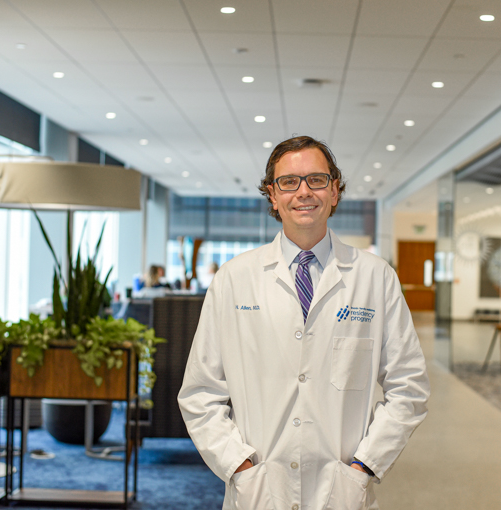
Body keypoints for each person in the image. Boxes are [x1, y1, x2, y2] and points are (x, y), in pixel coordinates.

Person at [178, 136, 430, 510]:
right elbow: (200, 393)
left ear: (335, 192)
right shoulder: (234, 278)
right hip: (259, 489)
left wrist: (364, 466)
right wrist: (239, 465)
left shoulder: (376, 277)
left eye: (316, 180)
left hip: (343, 490)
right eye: (289, 182)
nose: (303, 192)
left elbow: (408, 387)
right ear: (272, 196)